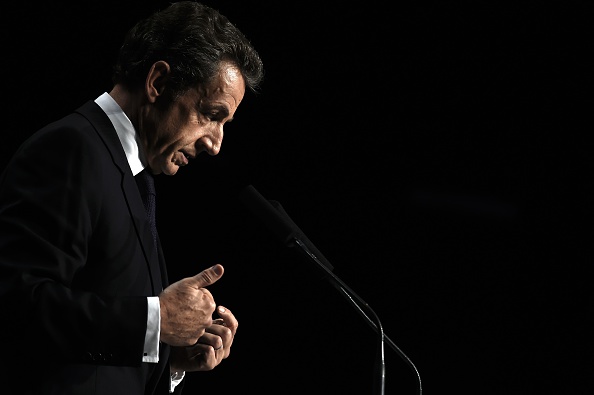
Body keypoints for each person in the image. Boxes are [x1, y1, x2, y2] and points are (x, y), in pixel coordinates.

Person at [0, 1, 264, 394]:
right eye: (211, 114)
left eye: (225, 123)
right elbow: (16, 305)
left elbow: (95, 351)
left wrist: (169, 355)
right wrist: (156, 321)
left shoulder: (138, 176)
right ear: (157, 82)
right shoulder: (72, 148)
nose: (215, 144)